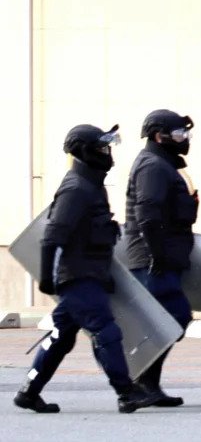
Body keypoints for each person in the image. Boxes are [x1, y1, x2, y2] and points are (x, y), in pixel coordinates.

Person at [14, 124, 157, 415]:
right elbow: (52, 236)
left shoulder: (90, 186)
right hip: (78, 278)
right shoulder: (76, 189)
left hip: (90, 275)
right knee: (105, 331)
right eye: (102, 147)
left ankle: (29, 392)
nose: (108, 153)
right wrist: (45, 278)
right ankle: (126, 392)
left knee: (62, 337)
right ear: (84, 152)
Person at [123, 109, 199, 407]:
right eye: (179, 134)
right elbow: (148, 215)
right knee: (171, 318)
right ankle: (139, 381)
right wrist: (158, 256)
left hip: (162, 257)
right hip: (152, 259)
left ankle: (146, 382)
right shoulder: (153, 166)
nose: (184, 140)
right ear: (159, 136)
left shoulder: (162, 164)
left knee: (168, 321)